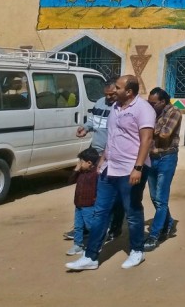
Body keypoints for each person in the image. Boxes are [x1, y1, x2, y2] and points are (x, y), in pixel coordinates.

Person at [66, 75, 154, 272]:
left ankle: (136, 251)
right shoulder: (115, 108)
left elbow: (147, 140)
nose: (113, 90)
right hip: (110, 168)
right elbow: (112, 136)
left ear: (129, 92)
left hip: (130, 169)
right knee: (100, 212)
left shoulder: (143, 109)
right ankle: (90, 256)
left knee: (132, 212)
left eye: (117, 87)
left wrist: (138, 167)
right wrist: (103, 160)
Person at [64, 77, 124, 243]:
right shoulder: (99, 103)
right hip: (95, 153)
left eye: (112, 94)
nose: (109, 98)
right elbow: (92, 120)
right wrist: (85, 128)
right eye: (106, 94)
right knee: (92, 192)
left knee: (112, 194)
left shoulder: (121, 108)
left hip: (112, 156)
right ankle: (86, 227)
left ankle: (113, 228)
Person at [143, 87, 182, 252]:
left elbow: (165, 133)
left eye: (153, 103)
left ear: (163, 102)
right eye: (149, 103)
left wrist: (148, 129)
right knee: (154, 197)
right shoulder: (152, 113)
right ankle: (169, 222)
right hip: (152, 158)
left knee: (161, 199)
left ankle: (154, 234)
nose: (150, 106)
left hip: (167, 158)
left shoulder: (175, 112)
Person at [66, 148, 100, 257]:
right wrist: (76, 170)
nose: (79, 164)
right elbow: (70, 181)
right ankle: (78, 245)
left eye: (81, 161)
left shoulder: (96, 174)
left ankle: (95, 245)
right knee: (78, 226)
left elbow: (99, 189)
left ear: (89, 163)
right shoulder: (80, 172)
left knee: (90, 226)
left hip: (89, 206)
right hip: (79, 204)